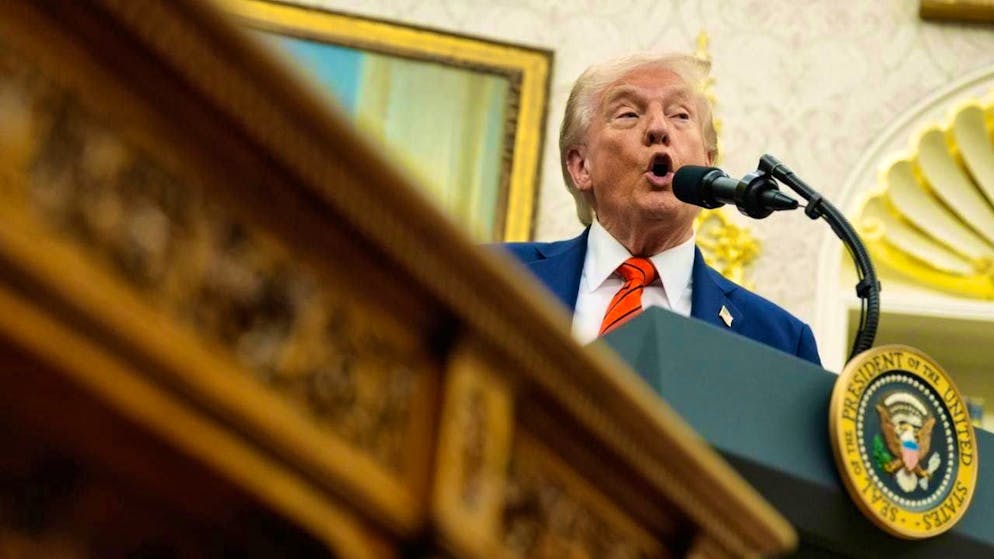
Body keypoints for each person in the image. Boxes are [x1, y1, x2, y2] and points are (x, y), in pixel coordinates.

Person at [501, 52, 820, 365]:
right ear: (581, 165)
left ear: (709, 163)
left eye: (680, 115)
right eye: (628, 114)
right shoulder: (499, 276)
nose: (658, 128)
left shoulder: (780, 342)